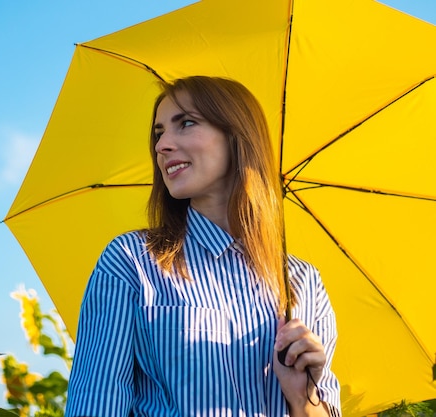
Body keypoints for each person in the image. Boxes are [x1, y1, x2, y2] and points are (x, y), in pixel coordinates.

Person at [65, 76, 341, 416]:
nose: (162, 145)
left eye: (186, 123)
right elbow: (95, 405)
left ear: (236, 134)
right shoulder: (132, 263)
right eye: (158, 133)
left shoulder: (303, 283)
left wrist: (302, 398)